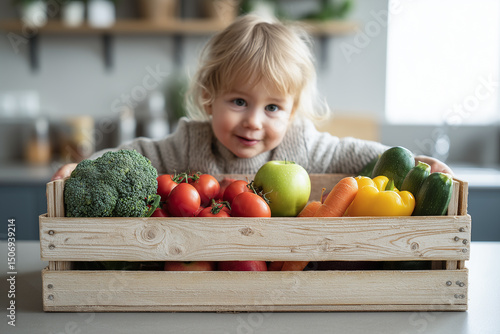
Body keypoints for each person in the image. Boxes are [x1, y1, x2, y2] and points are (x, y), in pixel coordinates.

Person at [52, 14, 451, 181]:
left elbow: (359, 154)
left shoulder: (302, 143)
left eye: (273, 107)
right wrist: (86, 169)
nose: (254, 121)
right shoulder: (189, 142)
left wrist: (411, 163)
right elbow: (135, 155)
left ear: (292, 111)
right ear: (209, 99)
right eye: (239, 102)